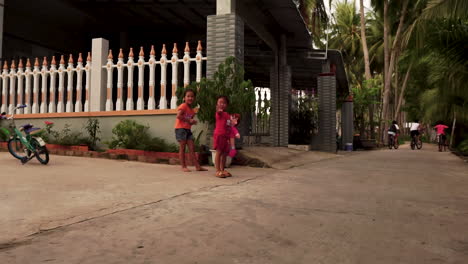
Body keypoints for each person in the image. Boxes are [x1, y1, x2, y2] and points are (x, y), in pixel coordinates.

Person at [174, 89, 207, 172]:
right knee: (182, 148)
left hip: (187, 130)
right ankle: (183, 166)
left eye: (192, 96)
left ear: (194, 98)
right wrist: (189, 121)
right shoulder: (183, 106)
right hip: (180, 129)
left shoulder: (192, 111)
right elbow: (178, 116)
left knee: (192, 148)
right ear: (184, 98)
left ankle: (197, 166)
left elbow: (189, 121)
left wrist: (193, 122)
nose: (190, 98)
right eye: (188, 96)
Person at [213, 96, 232, 178]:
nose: (222, 104)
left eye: (224, 103)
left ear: (226, 105)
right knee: (219, 152)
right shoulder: (219, 113)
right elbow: (218, 112)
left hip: (226, 137)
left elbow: (229, 125)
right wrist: (218, 110)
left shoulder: (227, 115)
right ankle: (217, 171)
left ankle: (222, 169)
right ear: (217, 104)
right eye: (220, 102)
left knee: (224, 154)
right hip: (219, 135)